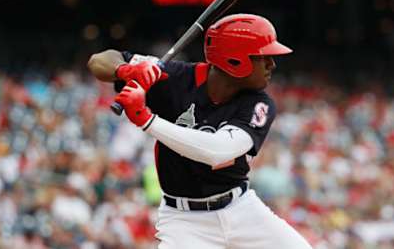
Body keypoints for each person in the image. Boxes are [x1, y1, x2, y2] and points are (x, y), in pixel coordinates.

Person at [87, 14, 313, 249]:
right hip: (184, 221)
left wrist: (147, 120)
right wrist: (126, 70)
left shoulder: (258, 103)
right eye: (264, 58)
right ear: (235, 60)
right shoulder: (174, 77)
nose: (272, 65)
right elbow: (98, 61)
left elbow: (218, 151)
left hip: (241, 209)